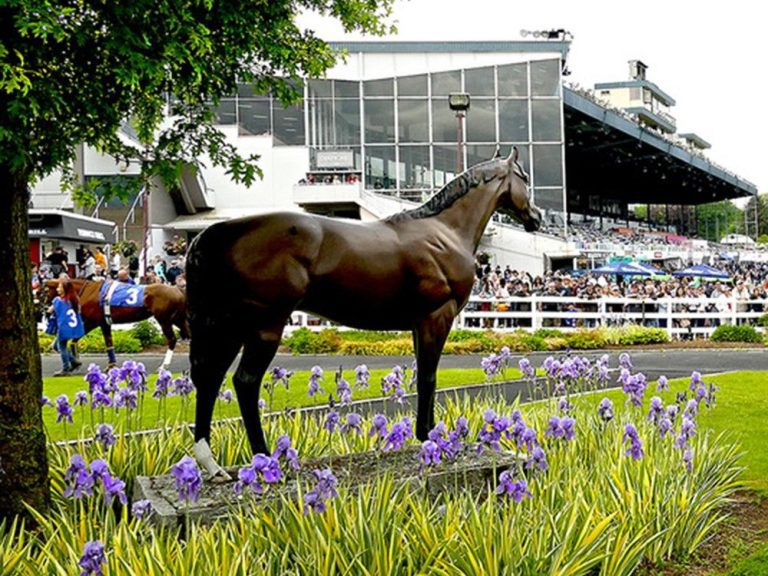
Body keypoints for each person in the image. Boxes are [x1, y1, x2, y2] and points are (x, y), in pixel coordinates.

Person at [48, 275, 85, 376]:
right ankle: (73, 361)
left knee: (61, 346)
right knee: (56, 345)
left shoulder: (58, 301)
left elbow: (50, 310)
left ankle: (66, 368)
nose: (57, 289)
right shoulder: (74, 300)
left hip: (63, 327)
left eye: (59, 287)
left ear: (64, 289)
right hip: (72, 328)